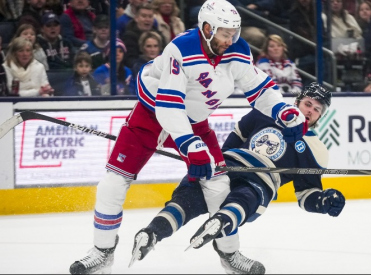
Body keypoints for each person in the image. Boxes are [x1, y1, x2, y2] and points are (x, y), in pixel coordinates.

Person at [69, 0, 308, 273]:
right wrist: (190, 146)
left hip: (195, 122)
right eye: (224, 33)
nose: (230, 40)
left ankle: (230, 255)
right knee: (112, 184)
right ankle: (103, 251)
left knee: (218, 186)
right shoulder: (180, 49)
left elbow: (259, 87)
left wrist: (283, 110)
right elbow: (169, 105)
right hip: (149, 117)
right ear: (207, 28)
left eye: (234, 33)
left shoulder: (238, 51)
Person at [130, 83, 345, 274]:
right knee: (200, 198)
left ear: (320, 117)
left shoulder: (315, 149)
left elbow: (307, 195)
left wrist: (324, 202)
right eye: (308, 103)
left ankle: (157, 231)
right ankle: (159, 232)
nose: (310, 111)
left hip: (259, 178)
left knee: (222, 198)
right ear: (297, 101)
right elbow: (232, 143)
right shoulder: (266, 111)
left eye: (317, 109)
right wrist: (219, 164)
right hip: (233, 166)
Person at [121, 3, 165, 68]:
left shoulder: (159, 36)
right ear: (136, 18)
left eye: (150, 16)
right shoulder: (128, 36)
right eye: (144, 16)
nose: (147, 19)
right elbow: (129, 60)